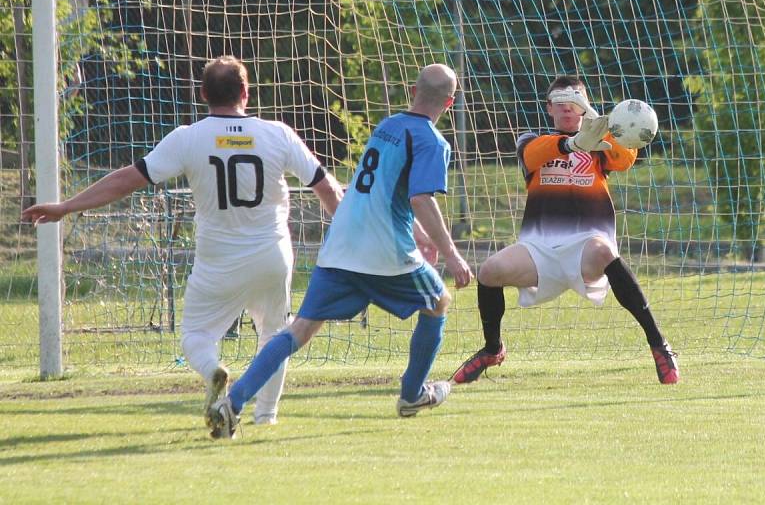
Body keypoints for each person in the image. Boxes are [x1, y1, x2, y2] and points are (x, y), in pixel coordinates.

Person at [21, 56, 343, 426]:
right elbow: (327, 188)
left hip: (218, 261)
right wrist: (351, 235)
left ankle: (212, 371)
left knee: (195, 335)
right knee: (274, 333)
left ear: (202, 93)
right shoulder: (278, 134)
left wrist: (66, 206)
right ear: (246, 93)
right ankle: (265, 417)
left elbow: (126, 180)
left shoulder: (188, 138)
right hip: (272, 255)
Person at [207, 63, 474, 439]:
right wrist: (452, 254)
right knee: (439, 302)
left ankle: (232, 403)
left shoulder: (386, 128)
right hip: (384, 253)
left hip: (341, 245)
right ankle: (413, 394)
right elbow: (420, 198)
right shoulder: (431, 140)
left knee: (298, 329)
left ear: (413, 90)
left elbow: (382, 198)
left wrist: (422, 237)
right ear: (449, 102)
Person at [451, 75, 679, 385]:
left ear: (585, 107)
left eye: (576, 101)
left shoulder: (602, 144)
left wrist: (602, 125)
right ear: (549, 109)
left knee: (603, 250)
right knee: (490, 270)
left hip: (586, 246)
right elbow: (534, 155)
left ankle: (659, 346)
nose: (568, 107)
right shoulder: (530, 141)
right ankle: (493, 349)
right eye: (560, 102)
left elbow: (625, 160)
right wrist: (572, 144)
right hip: (540, 248)